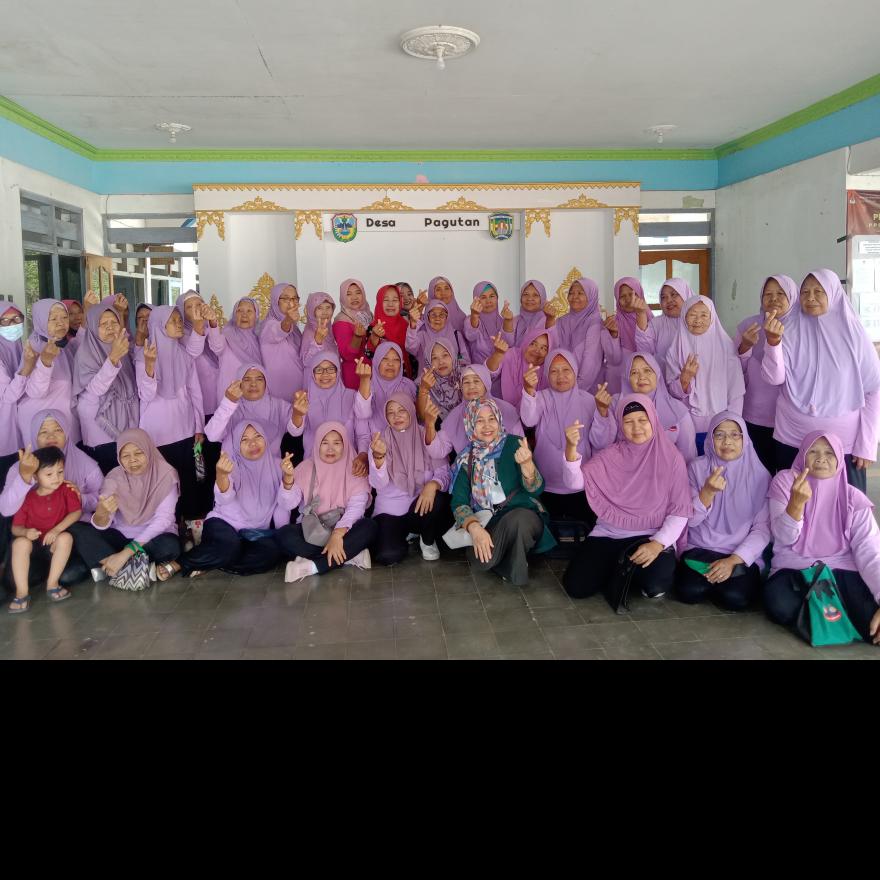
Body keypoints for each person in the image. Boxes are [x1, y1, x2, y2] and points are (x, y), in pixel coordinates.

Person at [561, 395, 691, 602]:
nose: (636, 427)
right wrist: (570, 449)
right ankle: (621, 569)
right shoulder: (612, 454)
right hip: (610, 533)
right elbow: (575, 484)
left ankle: (623, 570)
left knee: (654, 586)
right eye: (628, 421)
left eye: (643, 420)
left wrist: (658, 544)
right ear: (621, 425)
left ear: (653, 420)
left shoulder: (672, 457)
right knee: (576, 587)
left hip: (651, 534)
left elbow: (679, 511)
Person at [760, 269, 880, 491]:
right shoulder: (790, 328)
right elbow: (774, 378)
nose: (810, 297)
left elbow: (873, 389)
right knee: (792, 501)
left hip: (842, 443)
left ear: (833, 294)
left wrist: (867, 444)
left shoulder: (854, 335)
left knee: (844, 504)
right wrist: (773, 343)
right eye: (805, 292)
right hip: (792, 437)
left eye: (818, 291)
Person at [764, 431, 880, 646]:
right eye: (813, 452)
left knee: (872, 624)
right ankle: (836, 615)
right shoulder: (786, 482)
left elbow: (870, 550)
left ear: (839, 459)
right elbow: (783, 537)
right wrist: (796, 504)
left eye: (829, 453)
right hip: (793, 567)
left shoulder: (853, 497)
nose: (821, 458)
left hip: (841, 569)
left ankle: (826, 616)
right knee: (780, 607)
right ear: (802, 456)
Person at [156, 421, 299, 580]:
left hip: (256, 532)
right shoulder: (231, 466)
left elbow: (287, 504)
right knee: (229, 547)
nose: (252, 443)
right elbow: (224, 499)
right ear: (237, 445)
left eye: (257, 436)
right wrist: (222, 476)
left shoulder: (279, 465)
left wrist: (288, 478)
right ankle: (180, 563)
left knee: (271, 553)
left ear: (265, 439)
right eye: (244, 440)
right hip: (224, 524)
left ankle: (210, 560)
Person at [450, 399, 555, 586]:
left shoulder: (515, 444)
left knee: (519, 520)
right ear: (470, 424)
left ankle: (517, 573)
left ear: (499, 419)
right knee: (482, 561)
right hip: (489, 523)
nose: (487, 425)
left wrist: (527, 466)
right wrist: (475, 528)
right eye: (480, 420)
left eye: (492, 419)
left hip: (523, 515)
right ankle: (513, 561)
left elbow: (536, 490)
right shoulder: (466, 458)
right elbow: (459, 502)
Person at [677, 412, 771, 611]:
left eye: (735, 435)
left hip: (738, 552)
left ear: (745, 439)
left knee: (735, 598)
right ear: (710, 439)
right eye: (719, 435)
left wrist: (733, 560)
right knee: (689, 592)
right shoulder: (696, 468)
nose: (727, 441)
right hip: (700, 547)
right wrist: (707, 493)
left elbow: (762, 529)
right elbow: (689, 521)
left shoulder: (760, 476)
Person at [70, 429, 181, 583]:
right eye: (125, 455)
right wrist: (101, 513)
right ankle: (132, 568)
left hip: (152, 538)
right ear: (119, 457)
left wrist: (125, 553)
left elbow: (164, 519)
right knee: (77, 529)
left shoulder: (166, 475)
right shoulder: (114, 477)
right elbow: (104, 522)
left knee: (170, 546)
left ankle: (111, 565)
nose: (132, 460)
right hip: (121, 536)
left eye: (138, 453)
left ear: (148, 450)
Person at [274, 421, 377, 580]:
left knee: (369, 526)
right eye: (324, 443)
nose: (330, 449)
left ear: (345, 444)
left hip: (345, 531)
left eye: (337, 443)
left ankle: (313, 566)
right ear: (317, 444)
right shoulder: (305, 468)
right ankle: (349, 555)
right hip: (314, 530)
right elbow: (288, 504)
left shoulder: (355, 469)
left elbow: (357, 508)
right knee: (284, 535)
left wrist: (337, 535)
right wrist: (288, 480)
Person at [137, 305, 206, 523]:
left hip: (187, 431)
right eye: (173, 320)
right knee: (165, 487)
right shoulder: (144, 355)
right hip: (157, 437)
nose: (179, 324)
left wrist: (199, 426)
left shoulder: (184, 355)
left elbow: (195, 394)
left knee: (193, 481)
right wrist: (150, 366)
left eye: (179, 319)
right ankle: (170, 528)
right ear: (159, 325)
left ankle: (193, 530)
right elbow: (146, 395)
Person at [369, 393, 451, 564]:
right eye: (391, 413)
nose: (396, 416)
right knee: (388, 556)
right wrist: (378, 458)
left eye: (402, 410)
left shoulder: (426, 435)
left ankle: (427, 539)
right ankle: (405, 534)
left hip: (419, 507)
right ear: (386, 417)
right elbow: (378, 484)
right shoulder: (380, 443)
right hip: (390, 511)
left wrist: (433, 484)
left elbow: (444, 473)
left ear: (411, 411)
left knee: (438, 497)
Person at [519, 348, 597, 522]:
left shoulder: (589, 400)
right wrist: (529, 390)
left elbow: (600, 440)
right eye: (554, 371)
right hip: (547, 484)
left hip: (582, 484)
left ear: (575, 371)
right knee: (549, 528)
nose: (560, 376)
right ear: (547, 375)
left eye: (566, 370)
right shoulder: (541, 397)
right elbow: (528, 420)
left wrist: (604, 413)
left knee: (583, 528)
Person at [664, 294, 745, 455]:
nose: (698, 320)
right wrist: (684, 379)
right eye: (692, 315)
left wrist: (732, 424)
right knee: (692, 464)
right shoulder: (675, 350)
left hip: (721, 424)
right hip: (687, 423)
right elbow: (672, 393)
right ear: (684, 316)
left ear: (712, 317)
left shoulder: (726, 347)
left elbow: (736, 391)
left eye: (703, 315)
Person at [734, 275, 797, 472]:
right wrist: (745, 347)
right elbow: (735, 371)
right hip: (755, 414)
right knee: (760, 474)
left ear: (792, 297)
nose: (773, 299)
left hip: (791, 418)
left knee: (787, 477)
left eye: (780, 294)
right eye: (767, 294)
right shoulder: (748, 326)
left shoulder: (801, 328)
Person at [7, 446, 80, 612]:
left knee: (66, 538)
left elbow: (76, 512)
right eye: (49, 474)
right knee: (20, 543)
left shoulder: (66, 489)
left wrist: (56, 530)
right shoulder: (27, 497)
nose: (56, 478)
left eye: (60, 472)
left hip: (54, 545)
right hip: (33, 548)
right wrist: (26, 533)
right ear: (35, 476)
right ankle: (22, 592)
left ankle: (52, 584)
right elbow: (15, 528)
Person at [591, 352, 697, 463]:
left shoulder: (678, 412)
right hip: (625, 470)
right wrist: (602, 412)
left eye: (647, 370)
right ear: (627, 378)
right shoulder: (615, 404)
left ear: (657, 375)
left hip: (663, 471)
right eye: (634, 372)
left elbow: (687, 456)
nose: (641, 377)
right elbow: (600, 445)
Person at [72, 302, 139, 474]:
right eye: (103, 324)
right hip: (100, 435)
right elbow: (94, 391)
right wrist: (113, 359)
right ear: (93, 327)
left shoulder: (123, 349)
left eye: (114, 322)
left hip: (128, 431)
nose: (110, 327)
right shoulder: (85, 354)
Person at [288, 350, 372, 468]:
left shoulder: (351, 396)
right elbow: (294, 432)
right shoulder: (305, 398)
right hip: (314, 466)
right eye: (319, 370)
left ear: (338, 371)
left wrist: (362, 455)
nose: (325, 374)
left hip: (347, 465)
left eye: (331, 369)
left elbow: (363, 434)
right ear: (312, 374)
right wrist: (297, 414)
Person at [423, 363, 522, 459]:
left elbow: (520, 445)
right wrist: (429, 425)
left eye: (476, 381)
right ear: (461, 387)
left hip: (505, 464)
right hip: (470, 468)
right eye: (466, 382)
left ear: (486, 384)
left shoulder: (506, 410)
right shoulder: (455, 417)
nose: (471, 386)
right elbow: (438, 451)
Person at [19, 299, 81, 446]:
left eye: (64, 317)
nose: (61, 323)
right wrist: (45, 362)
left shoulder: (62, 347)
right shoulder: (33, 348)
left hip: (64, 424)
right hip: (43, 429)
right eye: (53, 319)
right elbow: (35, 392)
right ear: (40, 321)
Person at [207, 364, 292, 452]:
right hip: (232, 461)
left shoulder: (279, 405)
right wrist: (228, 402)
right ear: (239, 383)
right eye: (247, 379)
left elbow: (296, 430)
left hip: (271, 460)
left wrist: (298, 414)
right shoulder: (230, 406)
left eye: (259, 379)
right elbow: (212, 435)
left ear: (266, 383)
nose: (253, 384)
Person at [555, 277, 620, 393]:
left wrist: (575, 390)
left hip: (585, 388)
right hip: (560, 382)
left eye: (580, 293)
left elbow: (591, 361)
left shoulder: (595, 323)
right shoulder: (561, 321)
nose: (574, 297)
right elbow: (554, 350)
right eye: (571, 293)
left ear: (591, 297)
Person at [207, 295, 264, 403]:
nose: (244, 315)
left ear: (256, 315)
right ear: (234, 314)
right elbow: (217, 347)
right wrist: (213, 325)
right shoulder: (227, 334)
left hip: (254, 393)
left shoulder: (262, 338)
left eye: (249, 311)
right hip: (230, 392)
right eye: (240, 311)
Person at [175, 290, 222, 417]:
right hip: (199, 390)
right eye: (189, 307)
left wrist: (213, 323)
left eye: (199, 305)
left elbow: (218, 349)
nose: (195, 309)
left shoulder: (209, 326)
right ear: (181, 312)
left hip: (217, 388)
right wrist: (197, 327)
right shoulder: (179, 334)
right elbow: (192, 354)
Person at [258, 283, 303, 401]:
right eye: (286, 299)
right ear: (276, 301)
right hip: (279, 390)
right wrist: (288, 320)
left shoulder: (295, 329)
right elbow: (279, 331)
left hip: (299, 387)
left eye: (294, 298)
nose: (291, 303)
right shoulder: (268, 325)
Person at [490, 327, 551, 414]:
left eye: (544, 348)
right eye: (533, 344)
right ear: (526, 342)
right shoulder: (512, 354)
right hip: (502, 411)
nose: (537, 350)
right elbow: (490, 372)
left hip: (532, 417)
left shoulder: (548, 370)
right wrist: (497, 355)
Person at [463, 282, 515, 380]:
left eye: (492, 296)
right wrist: (475, 315)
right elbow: (471, 335)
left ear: (497, 298)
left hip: (503, 379)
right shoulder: (470, 320)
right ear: (476, 300)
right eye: (483, 297)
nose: (488, 301)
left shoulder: (503, 320)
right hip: (480, 379)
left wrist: (508, 321)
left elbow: (509, 344)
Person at [365, 341, 417, 435]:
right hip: (376, 439)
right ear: (376, 361)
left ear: (401, 363)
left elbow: (418, 418)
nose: (390, 364)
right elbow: (362, 417)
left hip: (406, 438)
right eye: (385, 359)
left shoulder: (409, 386)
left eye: (396, 360)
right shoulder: (367, 387)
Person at [635, 277, 692, 362]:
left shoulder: (699, 321)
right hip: (662, 370)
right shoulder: (656, 324)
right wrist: (641, 314)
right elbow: (645, 351)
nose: (669, 300)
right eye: (663, 297)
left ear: (685, 295)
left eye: (673, 294)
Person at [406, 299, 469, 368]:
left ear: (447, 317)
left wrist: (453, 366)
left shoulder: (456, 335)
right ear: (427, 317)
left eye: (442, 315)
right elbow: (410, 348)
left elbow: (464, 358)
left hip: (454, 374)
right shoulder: (422, 335)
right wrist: (413, 324)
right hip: (427, 374)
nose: (437, 318)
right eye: (433, 315)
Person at [333, 278, 372, 389]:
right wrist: (357, 337)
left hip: (372, 371)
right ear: (343, 297)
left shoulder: (369, 315)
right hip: (354, 374)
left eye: (358, 292)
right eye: (349, 294)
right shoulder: (341, 321)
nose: (354, 297)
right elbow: (347, 356)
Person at [365, 285, 411, 377]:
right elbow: (369, 354)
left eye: (395, 300)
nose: (390, 304)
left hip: (404, 376)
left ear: (400, 302)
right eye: (386, 300)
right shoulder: (374, 327)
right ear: (379, 302)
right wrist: (375, 336)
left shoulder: (406, 325)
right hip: (382, 377)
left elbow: (412, 352)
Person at [415, 338, 463, 424]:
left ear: (453, 355)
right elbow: (423, 417)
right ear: (429, 362)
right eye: (434, 358)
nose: (441, 362)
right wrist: (424, 389)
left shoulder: (465, 376)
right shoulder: (424, 383)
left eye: (445, 355)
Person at [513, 280, 556, 346]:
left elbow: (553, 344)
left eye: (535, 295)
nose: (530, 298)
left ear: (542, 299)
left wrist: (550, 319)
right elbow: (507, 344)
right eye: (526, 294)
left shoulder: (547, 320)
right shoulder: (514, 320)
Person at [299, 291, 337, 366]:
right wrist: (317, 342)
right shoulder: (310, 333)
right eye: (319, 308)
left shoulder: (329, 330)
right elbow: (305, 362)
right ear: (312, 311)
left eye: (328, 307)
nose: (325, 312)